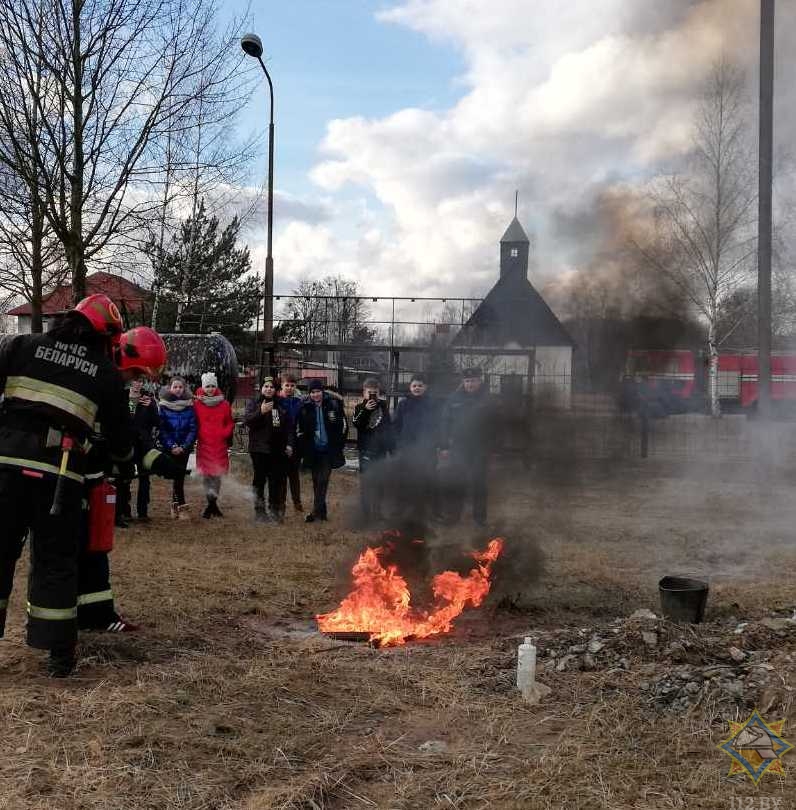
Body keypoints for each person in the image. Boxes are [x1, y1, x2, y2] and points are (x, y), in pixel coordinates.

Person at [0, 293, 134, 676]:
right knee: (56, 562)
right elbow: (120, 437)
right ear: (104, 335)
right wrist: (125, 467)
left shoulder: (22, 345)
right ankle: (59, 654)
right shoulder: (104, 372)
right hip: (59, 477)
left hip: (5, 468)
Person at [78, 326, 180, 633]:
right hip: (70, 480)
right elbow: (116, 441)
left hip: (93, 479)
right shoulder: (95, 380)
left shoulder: (111, 386)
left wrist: (158, 461)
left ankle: (99, 616)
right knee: (69, 553)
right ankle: (67, 621)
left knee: (95, 550)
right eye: (135, 372)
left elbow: (127, 438)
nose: (136, 380)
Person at [439, 367, 492, 526]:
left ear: (479, 381)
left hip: (481, 448)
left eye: (473, 380)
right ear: (463, 382)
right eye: (467, 381)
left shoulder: (488, 400)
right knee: (456, 482)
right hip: (459, 447)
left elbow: (496, 425)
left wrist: (493, 446)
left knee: (479, 484)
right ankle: (453, 517)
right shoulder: (453, 399)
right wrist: (444, 446)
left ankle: (479, 520)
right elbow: (445, 423)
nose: (470, 384)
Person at [291, 379, 347, 523]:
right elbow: (299, 428)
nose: (315, 395)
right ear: (309, 393)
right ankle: (322, 514)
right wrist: (302, 445)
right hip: (313, 450)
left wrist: (339, 444)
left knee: (323, 480)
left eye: (318, 391)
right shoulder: (305, 407)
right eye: (312, 392)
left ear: (323, 391)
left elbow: (343, 425)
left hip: (328, 450)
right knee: (316, 481)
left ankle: (315, 512)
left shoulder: (333, 405)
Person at [245, 376, 291, 523]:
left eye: (271, 387)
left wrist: (289, 444)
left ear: (275, 390)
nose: (268, 389)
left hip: (276, 450)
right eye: (266, 386)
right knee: (259, 481)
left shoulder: (281, 404)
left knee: (275, 481)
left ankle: (274, 510)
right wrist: (261, 411)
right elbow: (248, 421)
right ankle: (259, 511)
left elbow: (288, 428)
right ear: (261, 388)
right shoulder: (254, 403)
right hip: (259, 449)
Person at [393, 374, 439, 522]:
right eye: (414, 386)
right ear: (410, 387)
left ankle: (429, 513)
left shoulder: (433, 404)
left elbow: (439, 427)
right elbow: (396, 426)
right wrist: (399, 444)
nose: (417, 388)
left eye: (420, 385)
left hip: (427, 451)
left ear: (425, 387)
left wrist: (438, 445)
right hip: (407, 450)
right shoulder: (403, 405)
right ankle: (406, 512)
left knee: (428, 481)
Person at [115, 377, 159, 526]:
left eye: (140, 381)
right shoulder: (121, 397)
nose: (137, 384)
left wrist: (152, 407)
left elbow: (157, 422)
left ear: (143, 383)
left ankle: (142, 512)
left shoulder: (148, 399)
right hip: (125, 443)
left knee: (144, 478)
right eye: (134, 381)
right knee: (124, 478)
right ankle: (124, 511)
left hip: (143, 445)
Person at [194, 372, 234, 519]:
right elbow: (194, 422)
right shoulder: (197, 404)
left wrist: (224, 433)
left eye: (212, 386)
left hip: (219, 445)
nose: (210, 389)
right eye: (207, 386)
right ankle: (211, 505)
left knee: (217, 475)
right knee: (206, 475)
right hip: (204, 444)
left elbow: (230, 422)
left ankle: (212, 504)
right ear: (203, 387)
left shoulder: (224, 404)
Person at [352, 378, 393, 521]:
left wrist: (390, 449)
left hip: (381, 451)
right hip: (366, 451)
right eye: (369, 393)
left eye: (375, 393)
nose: (372, 396)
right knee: (366, 484)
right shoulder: (359, 408)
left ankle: (378, 512)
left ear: (379, 393)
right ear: (364, 393)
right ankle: (365, 514)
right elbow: (357, 424)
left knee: (380, 483)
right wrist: (366, 410)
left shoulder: (384, 407)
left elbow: (389, 428)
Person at [158, 376, 197, 519]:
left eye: (180, 387)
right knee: (178, 476)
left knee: (179, 477)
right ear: (170, 388)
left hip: (184, 448)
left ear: (184, 388)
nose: (178, 389)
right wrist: (172, 445)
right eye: (175, 387)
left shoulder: (189, 406)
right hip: (170, 447)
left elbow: (193, 428)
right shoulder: (163, 406)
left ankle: (176, 505)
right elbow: (161, 430)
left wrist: (185, 446)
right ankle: (181, 506)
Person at [277, 374, 304, 512]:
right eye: (286, 385)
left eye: (292, 385)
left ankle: (297, 502)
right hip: (280, 441)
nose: (289, 388)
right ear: (282, 385)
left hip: (295, 442)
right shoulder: (277, 401)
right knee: (281, 475)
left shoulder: (299, 402)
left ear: (295, 387)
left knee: (294, 474)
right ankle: (281, 504)